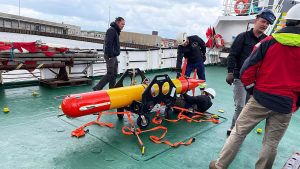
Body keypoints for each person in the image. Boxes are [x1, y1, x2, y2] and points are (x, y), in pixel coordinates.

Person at [210, 4, 300, 169]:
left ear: (287, 22)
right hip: (285, 104)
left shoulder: (268, 42)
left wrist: (252, 90)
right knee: (271, 143)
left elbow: (247, 69)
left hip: (260, 98)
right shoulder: (247, 38)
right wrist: (296, 103)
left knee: (239, 132)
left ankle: (220, 165)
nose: (265, 25)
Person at [225, 9, 276, 135]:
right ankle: (234, 131)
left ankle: (238, 129)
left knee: (247, 107)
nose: (264, 25)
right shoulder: (242, 37)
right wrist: (230, 72)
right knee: (240, 106)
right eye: (263, 21)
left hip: (255, 81)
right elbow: (233, 55)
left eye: (267, 24)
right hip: (240, 77)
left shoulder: (267, 40)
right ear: (256, 20)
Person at [93, 17, 125, 91]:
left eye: (124, 24)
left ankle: (112, 89)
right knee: (110, 73)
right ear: (117, 22)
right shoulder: (111, 30)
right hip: (110, 55)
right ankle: (97, 88)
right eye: (122, 24)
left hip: (114, 55)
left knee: (114, 74)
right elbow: (108, 43)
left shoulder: (115, 30)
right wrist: (110, 55)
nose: (123, 26)